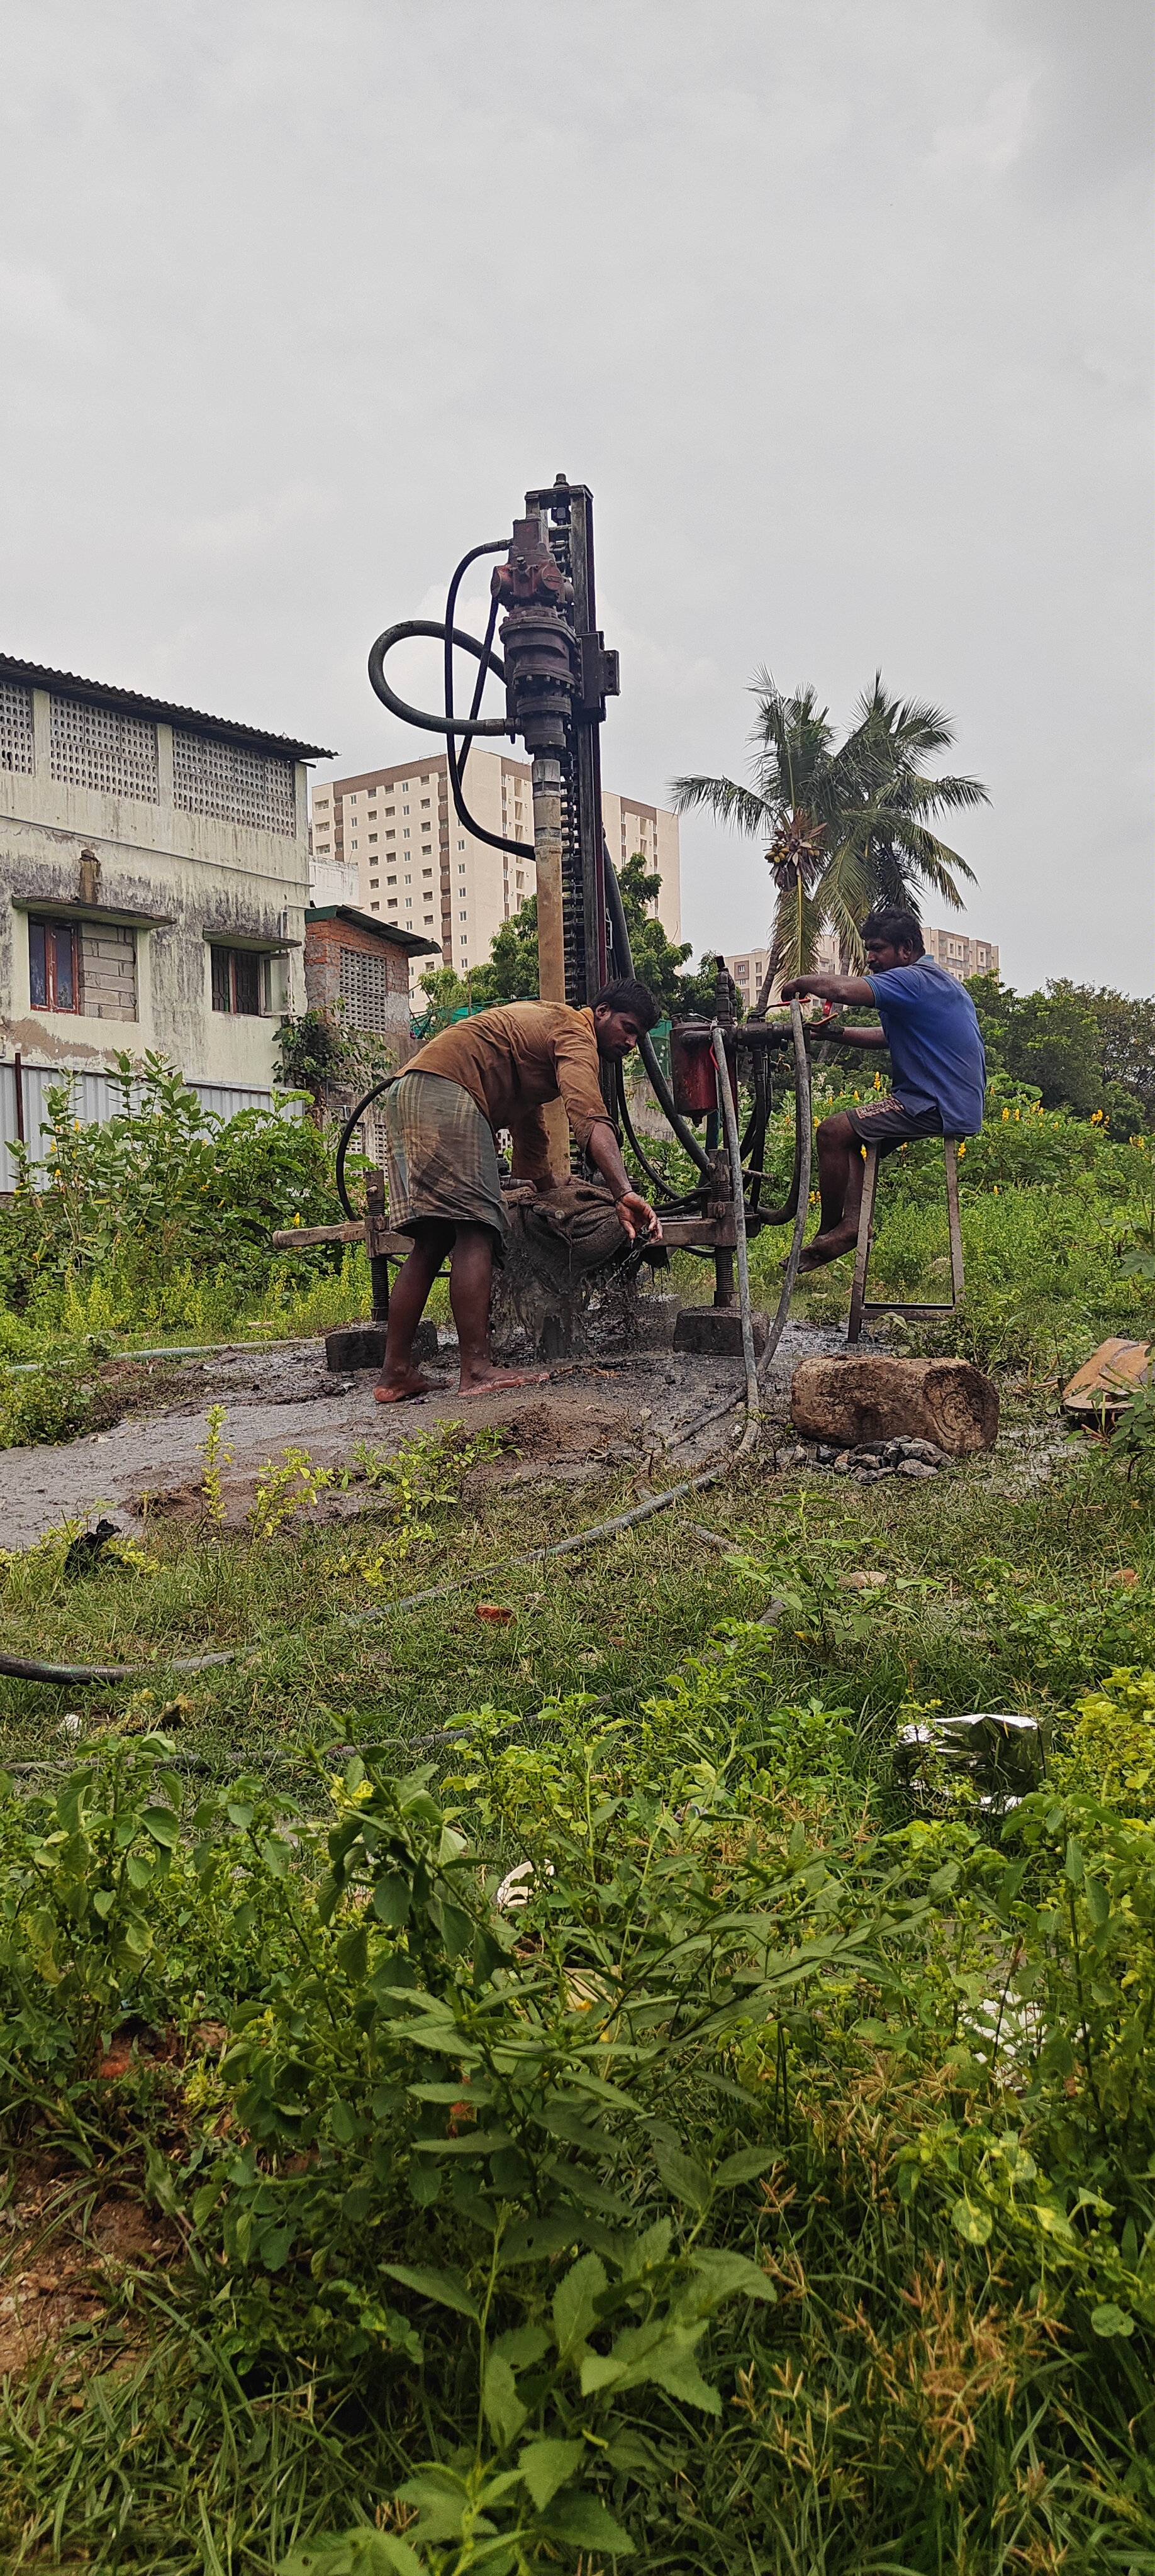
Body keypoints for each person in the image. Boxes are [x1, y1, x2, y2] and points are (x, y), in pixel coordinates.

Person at [374, 979, 664, 1401]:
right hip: (449, 1093)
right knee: (476, 1232)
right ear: (601, 1012)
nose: (632, 1041)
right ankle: (476, 1370)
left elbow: (530, 1130)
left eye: (639, 1035)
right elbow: (589, 1115)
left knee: (433, 1240)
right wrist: (622, 1192)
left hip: (410, 1091)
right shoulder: (574, 1031)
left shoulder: (538, 1041)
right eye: (628, 1027)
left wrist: (552, 1188)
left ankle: (395, 1374)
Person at [781, 907, 986, 1270]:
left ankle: (831, 1230)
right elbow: (886, 1039)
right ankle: (853, 1224)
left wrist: (801, 983)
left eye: (877, 949)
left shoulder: (913, 979)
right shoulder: (929, 984)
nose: (871, 959)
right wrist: (834, 1033)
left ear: (906, 949)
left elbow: (841, 989)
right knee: (851, 1141)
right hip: (943, 1100)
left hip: (934, 1102)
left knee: (832, 1131)